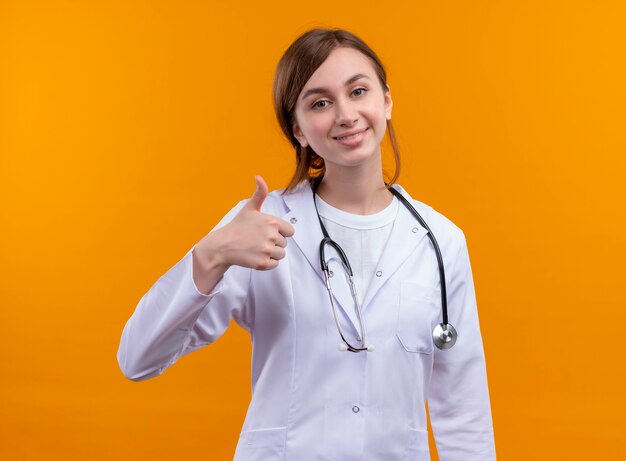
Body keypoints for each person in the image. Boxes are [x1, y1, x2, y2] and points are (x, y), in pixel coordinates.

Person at [117, 28, 497, 460]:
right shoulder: (260, 227)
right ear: (297, 129)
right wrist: (211, 255)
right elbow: (137, 359)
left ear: (386, 101)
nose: (346, 114)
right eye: (320, 102)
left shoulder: (440, 241)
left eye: (358, 91)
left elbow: (463, 411)